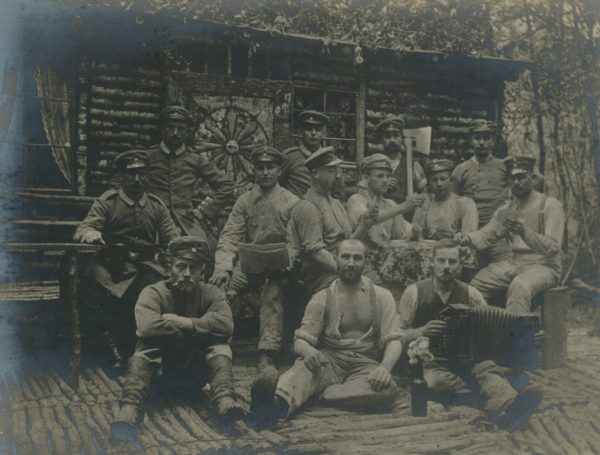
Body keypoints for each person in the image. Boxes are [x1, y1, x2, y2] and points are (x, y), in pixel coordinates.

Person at [251, 239, 402, 426]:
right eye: (345, 257)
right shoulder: (322, 297)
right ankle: (274, 405)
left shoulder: (382, 296)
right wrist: (308, 352)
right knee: (302, 369)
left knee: (388, 390)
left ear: (366, 262)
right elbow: (300, 340)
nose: (351, 263)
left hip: (364, 365)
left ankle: (327, 394)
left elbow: (394, 339)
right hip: (329, 362)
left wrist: (384, 368)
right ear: (336, 259)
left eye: (357, 258)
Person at [397, 239, 543, 430]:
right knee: (435, 382)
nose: (446, 267)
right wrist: (421, 331)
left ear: (460, 265)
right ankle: (495, 391)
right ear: (431, 262)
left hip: (469, 359)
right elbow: (397, 334)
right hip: (431, 362)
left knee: (486, 368)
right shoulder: (414, 292)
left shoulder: (471, 293)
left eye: (452, 262)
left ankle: (509, 405)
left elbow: (491, 325)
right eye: (441, 261)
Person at [110, 236, 244, 442]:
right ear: (168, 269)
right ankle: (130, 408)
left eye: (194, 268)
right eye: (181, 266)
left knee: (220, 347)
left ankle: (225, 399)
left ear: (203, 272)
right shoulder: (153, 293)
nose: (188, 274)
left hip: (195, 374)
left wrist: (186, 323)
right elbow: (147, 328)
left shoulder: (212, 294)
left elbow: (226, 326)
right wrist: (201, 329)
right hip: (159, 377)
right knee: (145, 351)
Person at [209, 145, 299, 401]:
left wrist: (289, 260)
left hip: (281, 268)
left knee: (272, 294)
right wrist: (224, 266)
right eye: (260, 168)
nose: (265, 172)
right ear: (254, 171)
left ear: (279, 170)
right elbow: (230, 235)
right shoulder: (245, 200)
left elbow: (296, 241)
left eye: (270, 167)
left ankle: (267, 354)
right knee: (220, 290)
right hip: (249, 265)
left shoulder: (291, 202)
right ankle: (215, 344)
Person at [74, 150, 179, 363]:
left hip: (144, 266)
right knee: (89, 292)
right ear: (122, 176)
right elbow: (85, 227)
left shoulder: (156, 205)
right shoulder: (108, 202)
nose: (138, 179)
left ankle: (144, 348)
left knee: (155, 293)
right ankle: (107, 348)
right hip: (111, 267)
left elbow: (173, 239)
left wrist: (177, 255)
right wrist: (91, 233)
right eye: (132, 174)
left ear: (148, 176)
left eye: (142, 174)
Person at [455, 156, 565, 315]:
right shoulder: (508, 209)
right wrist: (468, 239)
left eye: (521, 177)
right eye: (512, 178)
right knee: (475, 286)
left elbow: (553, 248)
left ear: (532, 178)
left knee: (519, 286)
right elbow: (488, 233)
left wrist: (525, 232)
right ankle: (485, 330)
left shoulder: (549, 205)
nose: (516, 183)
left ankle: (517, 336)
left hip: (546, 265)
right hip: (515, 262)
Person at [145, 105, 234, 256]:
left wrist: (203, 211)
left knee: (201, 252)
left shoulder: (194, 159)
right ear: (162, 128)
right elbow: (118, 183)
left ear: (187, 131)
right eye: (170, 127)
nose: (175, 133)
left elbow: (226, 184)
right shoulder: (148, 156)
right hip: (152, 220)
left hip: (184, 221)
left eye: (180, 129)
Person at [287, 147, 377, 296]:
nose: (338, 176)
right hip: (322, 276)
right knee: (368, 290)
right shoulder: (307, 206)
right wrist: (349, 269)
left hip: (342, 268)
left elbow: (348, 243)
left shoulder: (336, 203)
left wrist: (364, 224)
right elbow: (317, 253)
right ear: (315, 173)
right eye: (331, 170)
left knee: (383, 282)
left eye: (338, 170)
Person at [451, 120, 542, 263]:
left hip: (499, 234)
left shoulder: (504, 166)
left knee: (504, 272)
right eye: (477, 138)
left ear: (493, 141)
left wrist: (516, 206)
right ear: (471, 140)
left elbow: (537, 180)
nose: (481, 142)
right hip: (470, 234)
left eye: (486, 138)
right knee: (470, 273)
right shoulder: (460, 170)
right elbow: (453, 202)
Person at [347, 153, 420, 282]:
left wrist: (416, 229)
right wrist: (403, 206)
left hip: (388, 263)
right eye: (380, 176)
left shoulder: (390, 204)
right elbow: (370, 218)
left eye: (387, 176)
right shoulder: (357, 200)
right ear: (366, 178)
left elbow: (403, 235)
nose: (386, 180)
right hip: (362, 264)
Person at [280, 110, 344, 198]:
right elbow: (278, 186)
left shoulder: (331, 161)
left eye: (318, 130)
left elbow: (338, 193)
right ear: (301, 131)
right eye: (309, 129)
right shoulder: (290, 157)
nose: (313, 133)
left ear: (324, 133)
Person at [413, 158, 478, 240]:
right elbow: (417, 234)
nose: (439, 184)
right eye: (434, 180)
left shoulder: (465, 203)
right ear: (429, 183)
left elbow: (469, 237)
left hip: (455, 249)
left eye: (443, 179)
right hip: (429, 250)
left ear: (451, 180)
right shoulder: (424, 204)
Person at [374, 117, 427, 209]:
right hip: (382, 216)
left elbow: (424, 194)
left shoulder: (412, 164)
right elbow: (365, 193)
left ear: (402, 139)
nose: (392, 140)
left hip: (406, 218)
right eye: (387, 136)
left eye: (396, 136)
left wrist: (416, 198)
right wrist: (381, 185)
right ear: (381, 140)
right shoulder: (375, 164)